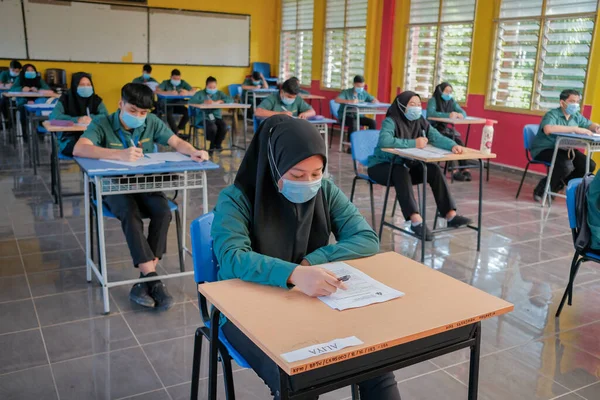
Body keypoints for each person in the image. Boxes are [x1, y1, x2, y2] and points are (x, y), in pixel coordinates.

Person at [212, 115, 402, 400]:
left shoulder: (325, 191)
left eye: (317, 173)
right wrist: (293, 274)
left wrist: (312, 261)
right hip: (246, 309)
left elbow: (366, 239)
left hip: (309, 299)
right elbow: (232, 258)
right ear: (272, 164)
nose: (309, 183)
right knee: (301, 376)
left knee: (376, 361)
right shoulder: (238, 198)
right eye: (297, 175)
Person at [73, 83, 209, 310]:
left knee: (163, 211)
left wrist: (193, 150)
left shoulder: (152, 122)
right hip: (112, 186)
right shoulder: (102, 123)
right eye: (133, 110)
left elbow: (175, 142)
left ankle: (146, 279)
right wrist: (118, 155)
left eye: (143, 113)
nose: (138, 116)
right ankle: (154, 280)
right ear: (121, 104)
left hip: (145, 182)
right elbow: (80, 148)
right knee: (129, 212)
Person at [367, 91, 472, 241]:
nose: (416, 108)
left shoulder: (421, 121)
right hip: (381, 167)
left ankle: (450, 215)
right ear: (402, 105)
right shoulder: (391, 121)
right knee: (400, 171)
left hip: (406, 166)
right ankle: (415, 221)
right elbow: (385, 141)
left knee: (434, 170)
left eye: (418, 104)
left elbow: (436, 137)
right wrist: (413, 143)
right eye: (412, 104)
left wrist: (452, 145)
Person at [531, 89, 600, 202]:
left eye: (577, 101)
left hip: (565, 149)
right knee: (564, 166)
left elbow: (589, 124)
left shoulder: (576, 116)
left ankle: (561, 183)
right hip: (545, 149)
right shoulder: (552, 114)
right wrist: (575, 129)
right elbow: (548, 129)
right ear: (562, 103)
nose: (575, 104)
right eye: (572, 101)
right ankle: (542, 190)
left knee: (589, 165)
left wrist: (597, 128)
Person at [49, 72, 109, 157]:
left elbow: (105, 115)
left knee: (103, 147)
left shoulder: (96, 100)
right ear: (75, 86)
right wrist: (76, 119)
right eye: (82, 85)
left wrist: (92, 118)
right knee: (84, 149)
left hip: (92, 136)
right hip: (70, 138)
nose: (86, 87)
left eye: (88, 84)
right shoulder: (66, 99)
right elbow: (53, 117)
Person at [426, 82, 472, 182]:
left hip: (445, 129)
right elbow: (431, 113)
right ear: (440, 91)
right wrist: (447, 115)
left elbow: (463, 112)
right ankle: (454, 171)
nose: (448, 94)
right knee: (449, 142)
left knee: (459, 142)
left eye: (450, 91)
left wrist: (461, 115)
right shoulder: (433, 100)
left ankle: (465, 168)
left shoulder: (451, 101)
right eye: (446, 91)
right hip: (434, 129)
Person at [9, 63, 54, 137]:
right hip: (23, 99)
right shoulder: (19, 79)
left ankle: (40, 129)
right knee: (23, 106)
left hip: (37, 99)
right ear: (23, 72)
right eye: (27, 70)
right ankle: (24, 131)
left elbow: (47, 89)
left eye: (32, 70)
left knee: (41, 103)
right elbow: (11, 90)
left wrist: (38, 89)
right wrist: (21, 89)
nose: (30, 72)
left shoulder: (39, 79)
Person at [188, 76, 232, 152]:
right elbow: (190, 101)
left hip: (216, 116)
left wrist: (220, 101)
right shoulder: (200, 93)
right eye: (210, 87)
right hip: (203, 117)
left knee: (224, 126)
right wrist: (203, 102)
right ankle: (212, 145)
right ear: (206, 86)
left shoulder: (219, 93)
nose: (212, 89)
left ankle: (217, 144)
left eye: (214, 87)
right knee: (212, 127)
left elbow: (230, 99)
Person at [156, 69, 195, 134]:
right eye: (174, 79)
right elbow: (157, 91)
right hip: (167, 104)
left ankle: (178, 130)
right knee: (168, 114)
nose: (176, 80)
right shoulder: (165, 82)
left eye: (178, 79)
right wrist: (169, 93)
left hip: (178, 104)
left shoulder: (183, 82)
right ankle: (177, 132)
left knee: (188, 113)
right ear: (171, 77)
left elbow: (193, 91)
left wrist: (187, 92)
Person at [0, 60, 22, 125]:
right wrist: (6, 86)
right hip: (4, 94)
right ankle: (6, 119)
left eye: (17, 71)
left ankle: (14, 122)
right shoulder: (4, 73)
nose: (15, 72)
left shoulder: (20, 75)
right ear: (9, 68)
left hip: (17, 94)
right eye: (13, 70)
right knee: (3, 101)